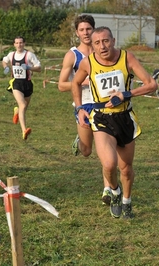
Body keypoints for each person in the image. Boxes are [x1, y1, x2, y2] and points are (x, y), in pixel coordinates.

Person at [71, 26, 158, 219]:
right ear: (92, 46)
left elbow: (152, 84)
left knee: (126, 168)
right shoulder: (88, 63)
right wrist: (80, 109)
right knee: (109, 165)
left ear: (113, 40)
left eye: (106, 41)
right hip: (101, 118)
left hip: (124, 117)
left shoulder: (127, 58)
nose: (102, 46)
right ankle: (115, 191)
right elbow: (75, 83)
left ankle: (127, 202)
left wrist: (126, 94)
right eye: (97, 43)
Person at [58, 15, 113, 205]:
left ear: (94, 29)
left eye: (88, 29)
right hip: (84, 106)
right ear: (77, 33)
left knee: (105, 150)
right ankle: (79, 141)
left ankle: (108, 189)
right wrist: (83, 82)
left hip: (105, 106)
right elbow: (61, 85)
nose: (86, 33)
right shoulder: (72, 55)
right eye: (82, 30)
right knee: (87, 150)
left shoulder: (102, 51)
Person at [2, 36, 42, 140]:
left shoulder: (29, 55)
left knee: (24, 108)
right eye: (17, 43)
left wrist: (29, 67)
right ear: (14, 44)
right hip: (16, 83)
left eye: (21, 43)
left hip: (27, 84)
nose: (19, 45)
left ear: (24, 43)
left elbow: (39, 68)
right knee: (22, 104)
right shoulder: (11, 55)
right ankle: (24, 130)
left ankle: (16, 111)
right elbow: (4, 60)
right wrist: (6, 67)